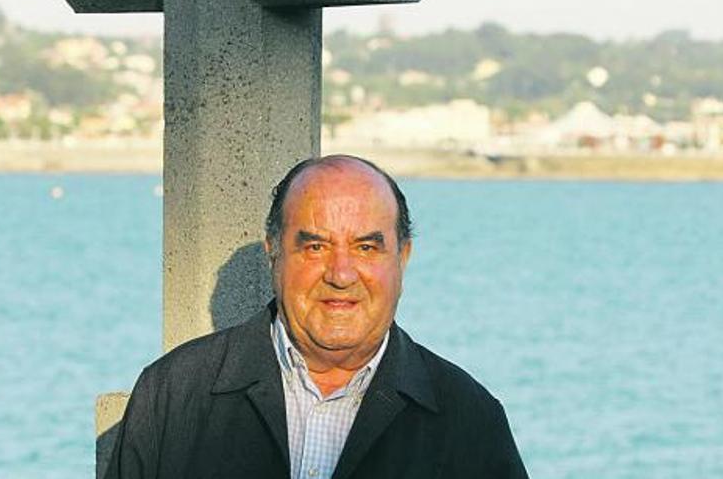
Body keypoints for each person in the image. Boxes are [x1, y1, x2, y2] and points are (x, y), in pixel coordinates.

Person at [104, 155, 528, 479]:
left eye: (366, 248)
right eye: (315, 247)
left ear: (403, 257)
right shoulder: (173, 394)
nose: (341, 275)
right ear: (274, 252)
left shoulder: (468, 418)